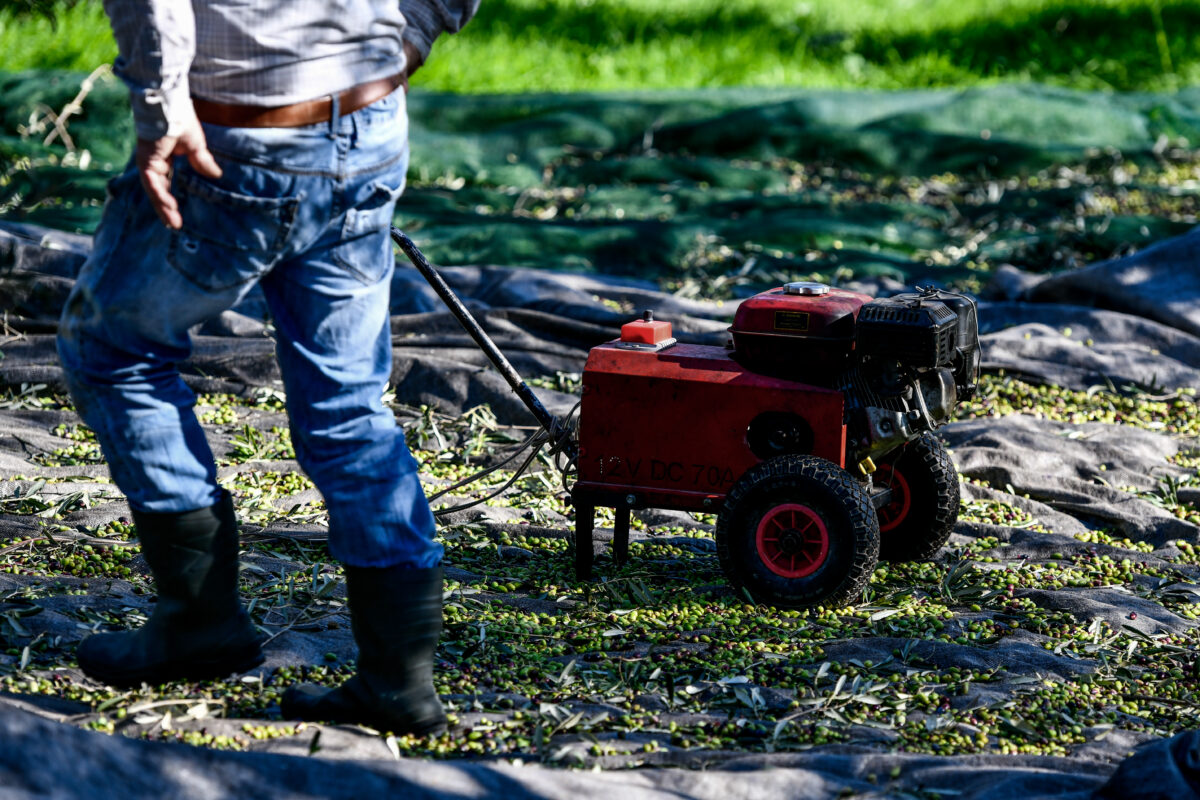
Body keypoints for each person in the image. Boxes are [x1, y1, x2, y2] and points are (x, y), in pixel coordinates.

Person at [56, 0, 479, 735]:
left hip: (238, 136)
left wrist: (160, 107)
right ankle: (398, 680)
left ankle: (198, 619)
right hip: (368, 119)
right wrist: (410, 33)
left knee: (111, 350)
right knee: (347, 407)